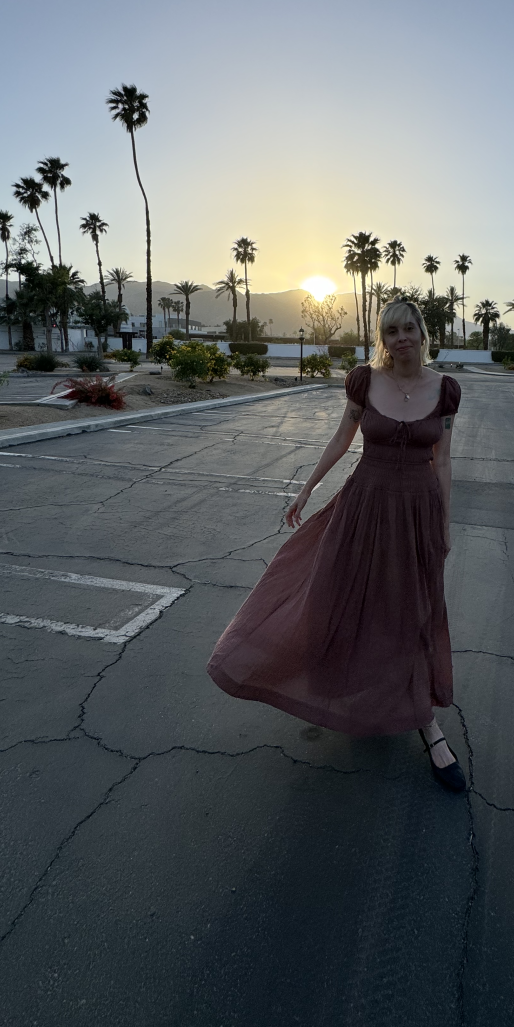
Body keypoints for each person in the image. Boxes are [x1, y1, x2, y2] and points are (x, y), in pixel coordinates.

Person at [207, 297, 465, 791]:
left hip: (416, 513)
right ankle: (342, 691)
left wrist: (445, 525)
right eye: (391, 331)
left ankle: (426, 724)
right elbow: (342, 438)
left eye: (408, 328)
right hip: (363, 506)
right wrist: (306, 488)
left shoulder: (445, 391)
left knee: (411, 611)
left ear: (421, 332)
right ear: (382, 338)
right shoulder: (364, 381)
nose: (401, 338)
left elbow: (444, 461)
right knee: (333, 595)